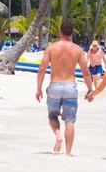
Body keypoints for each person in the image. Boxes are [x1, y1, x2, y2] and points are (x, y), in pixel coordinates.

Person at [36, 21, 93, 156]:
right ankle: (68, 153)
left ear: (59, 32)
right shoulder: (78, 50)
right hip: (70, 86)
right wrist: (90, 90)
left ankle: (57, 135)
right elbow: (86, 72)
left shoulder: (51, 48)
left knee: (52, 116)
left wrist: (38, 89)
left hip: (55, 86)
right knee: (69, 121)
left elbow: (42, 69)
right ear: (72, 33)